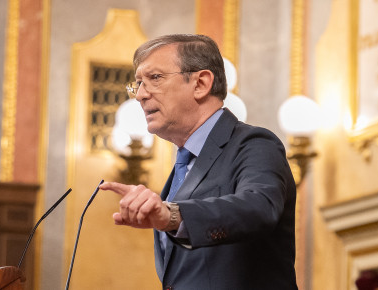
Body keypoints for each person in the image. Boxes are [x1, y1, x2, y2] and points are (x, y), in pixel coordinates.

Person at [100, 34, 297, 289]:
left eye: (155, 78)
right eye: (138, 83)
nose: (140, 95)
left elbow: (259, 207)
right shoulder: (181, 169)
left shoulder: (255, 144)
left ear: (201, 83)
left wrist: (172, 215)